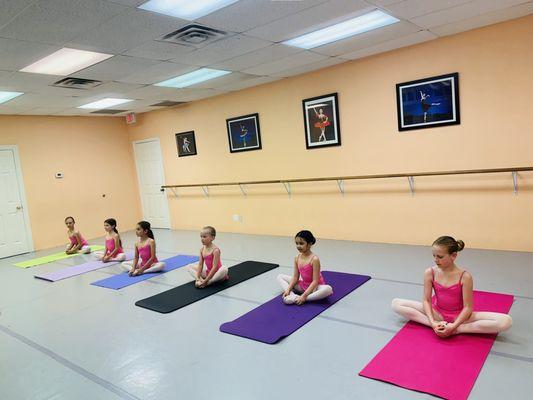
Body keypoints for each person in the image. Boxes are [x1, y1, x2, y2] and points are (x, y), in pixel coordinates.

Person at [391, 236, 512, 337]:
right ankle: (437, 324)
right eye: (434, 256)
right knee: (396, 303)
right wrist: (433, 322)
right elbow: (426, 300)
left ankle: (459, 329)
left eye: (440, 257)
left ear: (453, 256)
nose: (435, 260)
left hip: (460, 317)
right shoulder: (430, 272)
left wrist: (455, 326)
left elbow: (468, 308)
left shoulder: (465, 277)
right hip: (437, 313)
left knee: (505, 321)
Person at [277, 230, 333, 305]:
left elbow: (315, 281)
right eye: (296, 243)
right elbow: (295, 277)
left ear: (309, 244)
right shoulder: (297, 258)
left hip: (315, 288)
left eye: (301, 243)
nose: (298, 246)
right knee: (280, 276)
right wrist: (288, 290)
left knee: (328, 289)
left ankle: (301, 299)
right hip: (303, 285)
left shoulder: (314, 259)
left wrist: (304, 296)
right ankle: (293, 295)